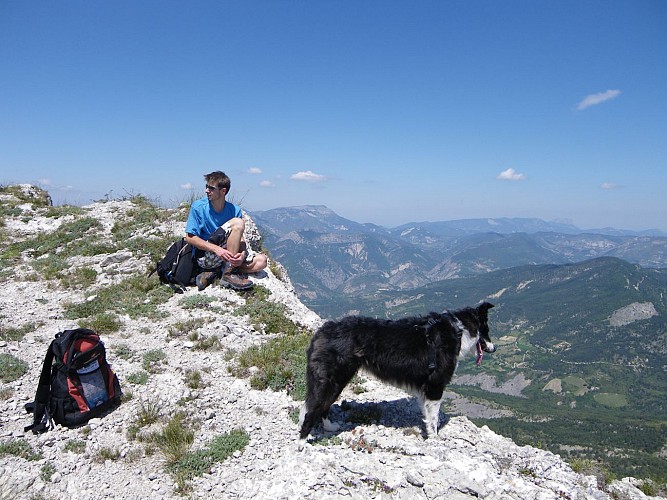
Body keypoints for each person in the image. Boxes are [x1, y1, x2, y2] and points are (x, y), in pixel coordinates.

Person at [185, 171, 267, 291]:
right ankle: (229, 274)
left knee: (262, 261)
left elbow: (240, 238)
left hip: (226, 254)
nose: (207, 191)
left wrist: (242, 253)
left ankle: (220, 271)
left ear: (223, 191)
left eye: (211, 188)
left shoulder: (234, 210)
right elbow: (190, 238)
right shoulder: (198, 207)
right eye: (206, 187)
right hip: (206, 254)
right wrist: (217, 250)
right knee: (238, 222)